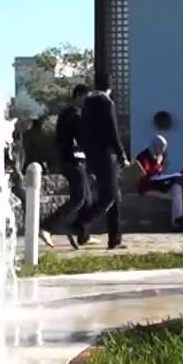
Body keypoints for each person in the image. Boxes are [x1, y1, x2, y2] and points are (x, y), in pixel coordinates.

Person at [73, 73, 129, 250]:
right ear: (110, 87)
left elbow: (83, 132)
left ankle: (115, 237)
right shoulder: (106, 102)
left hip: (92, 155)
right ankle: (80, 224)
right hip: (106, 155)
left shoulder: (87, 103)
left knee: (113, 195)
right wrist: (122, 155)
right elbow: (112, 131)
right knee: (110, 196)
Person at [39, 84, 90, 248]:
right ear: (78, 96)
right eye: (86, 98)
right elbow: (78, 139)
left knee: (87, 199)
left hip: (76, 160)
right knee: (78, 199)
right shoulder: (73, 115)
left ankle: (83, 234)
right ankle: (46, 227)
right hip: (72, 162)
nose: (88, 102)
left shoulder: (72, 114)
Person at [134, 135, 183, 231]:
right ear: (155, 145)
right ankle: (177, 222)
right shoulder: (144, 156)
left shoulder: (160, 156)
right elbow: (145, 175)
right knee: (175, 189)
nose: (162, 150)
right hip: (147, 187)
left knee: (177, 186)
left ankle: (177, 222)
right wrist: (158, 165)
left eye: (164, 148)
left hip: (157, 185)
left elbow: (159, 174)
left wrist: (162, 168)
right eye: (161, 148)